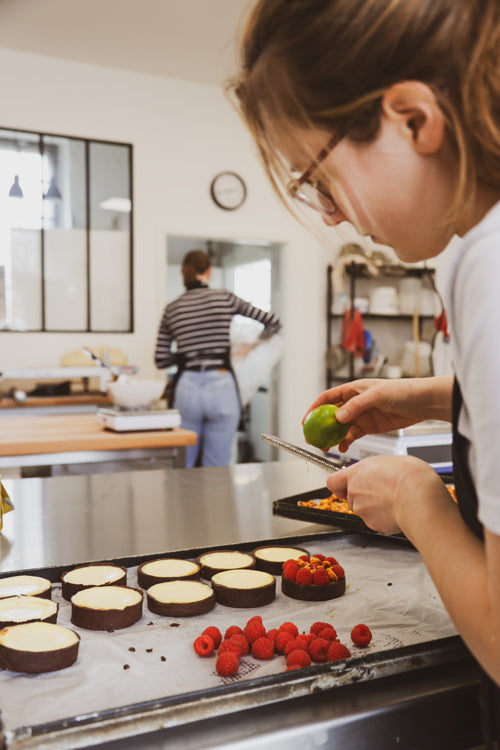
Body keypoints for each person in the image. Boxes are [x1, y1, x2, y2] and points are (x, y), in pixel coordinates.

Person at [228, 0, 500, 741]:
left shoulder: (489, 266)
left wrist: (416, 499)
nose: (330, 215)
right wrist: (433, 396)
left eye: (317, 177)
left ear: (413, 119)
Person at [155, 249, 281, 467]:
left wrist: (188, 355)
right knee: (217, 466)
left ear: (183, 273)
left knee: (184, 463)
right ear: (209, 271)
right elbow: (272, 321)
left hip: (188, 389)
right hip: (222, 386)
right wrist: (250, 346)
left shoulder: (172, 309)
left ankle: (182, 501)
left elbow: (161, 359)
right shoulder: (224, 298)